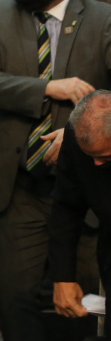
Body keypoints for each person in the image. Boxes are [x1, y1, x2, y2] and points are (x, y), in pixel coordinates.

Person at [0, 0, 111, 341]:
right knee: (16, 303)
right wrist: (49, 88)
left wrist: (75, 131)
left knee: (81, 306)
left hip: (86, 190)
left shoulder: (103, 18)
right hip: (19, 185)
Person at [49, 91, 111, 319]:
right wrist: (63, 277)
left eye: (104, 157)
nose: (95, 164)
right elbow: (66, 208)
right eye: (90, 156)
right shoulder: (75, 139)